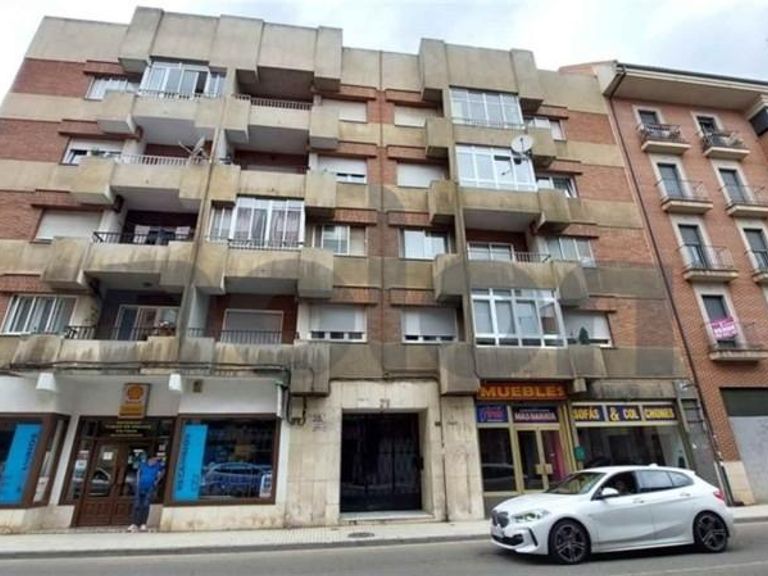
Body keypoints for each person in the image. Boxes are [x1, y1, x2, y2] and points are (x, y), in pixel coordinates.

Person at [128, 454, 165, 533]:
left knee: (146, 505)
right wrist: (137, 483)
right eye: (153, 460)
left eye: (155, 460)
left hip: (150, 488)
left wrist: (156, 481)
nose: (155, 461)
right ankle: (134, 523)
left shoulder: (158, 466)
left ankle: (143, 524)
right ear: (149, 460)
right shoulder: (143, 465)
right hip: (140, 487)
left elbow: (163, 470)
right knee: (137, 505)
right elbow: (138, 473)